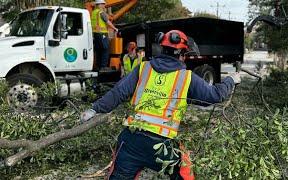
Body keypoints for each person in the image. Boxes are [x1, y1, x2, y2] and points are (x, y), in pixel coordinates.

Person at [80, 30, 241, 179]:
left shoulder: (143, 68)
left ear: (162, 49)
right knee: (185, 173)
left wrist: (94, 109)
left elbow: (117, 93)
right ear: (182, 54)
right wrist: (230, 80)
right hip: (163, 146)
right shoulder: (186, 77)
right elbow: (215, 95)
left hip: (131, 141)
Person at [91, 0, 118, 71]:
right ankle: (103, 67)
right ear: (98, 5)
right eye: (102, 4)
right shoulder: (101, 12)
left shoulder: (93, 13)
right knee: (105, 49)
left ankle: (98, 66)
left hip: (95, 34)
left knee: (99, 50)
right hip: (102, 33)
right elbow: (108, 22)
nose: (104, 5)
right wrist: (114, 28)